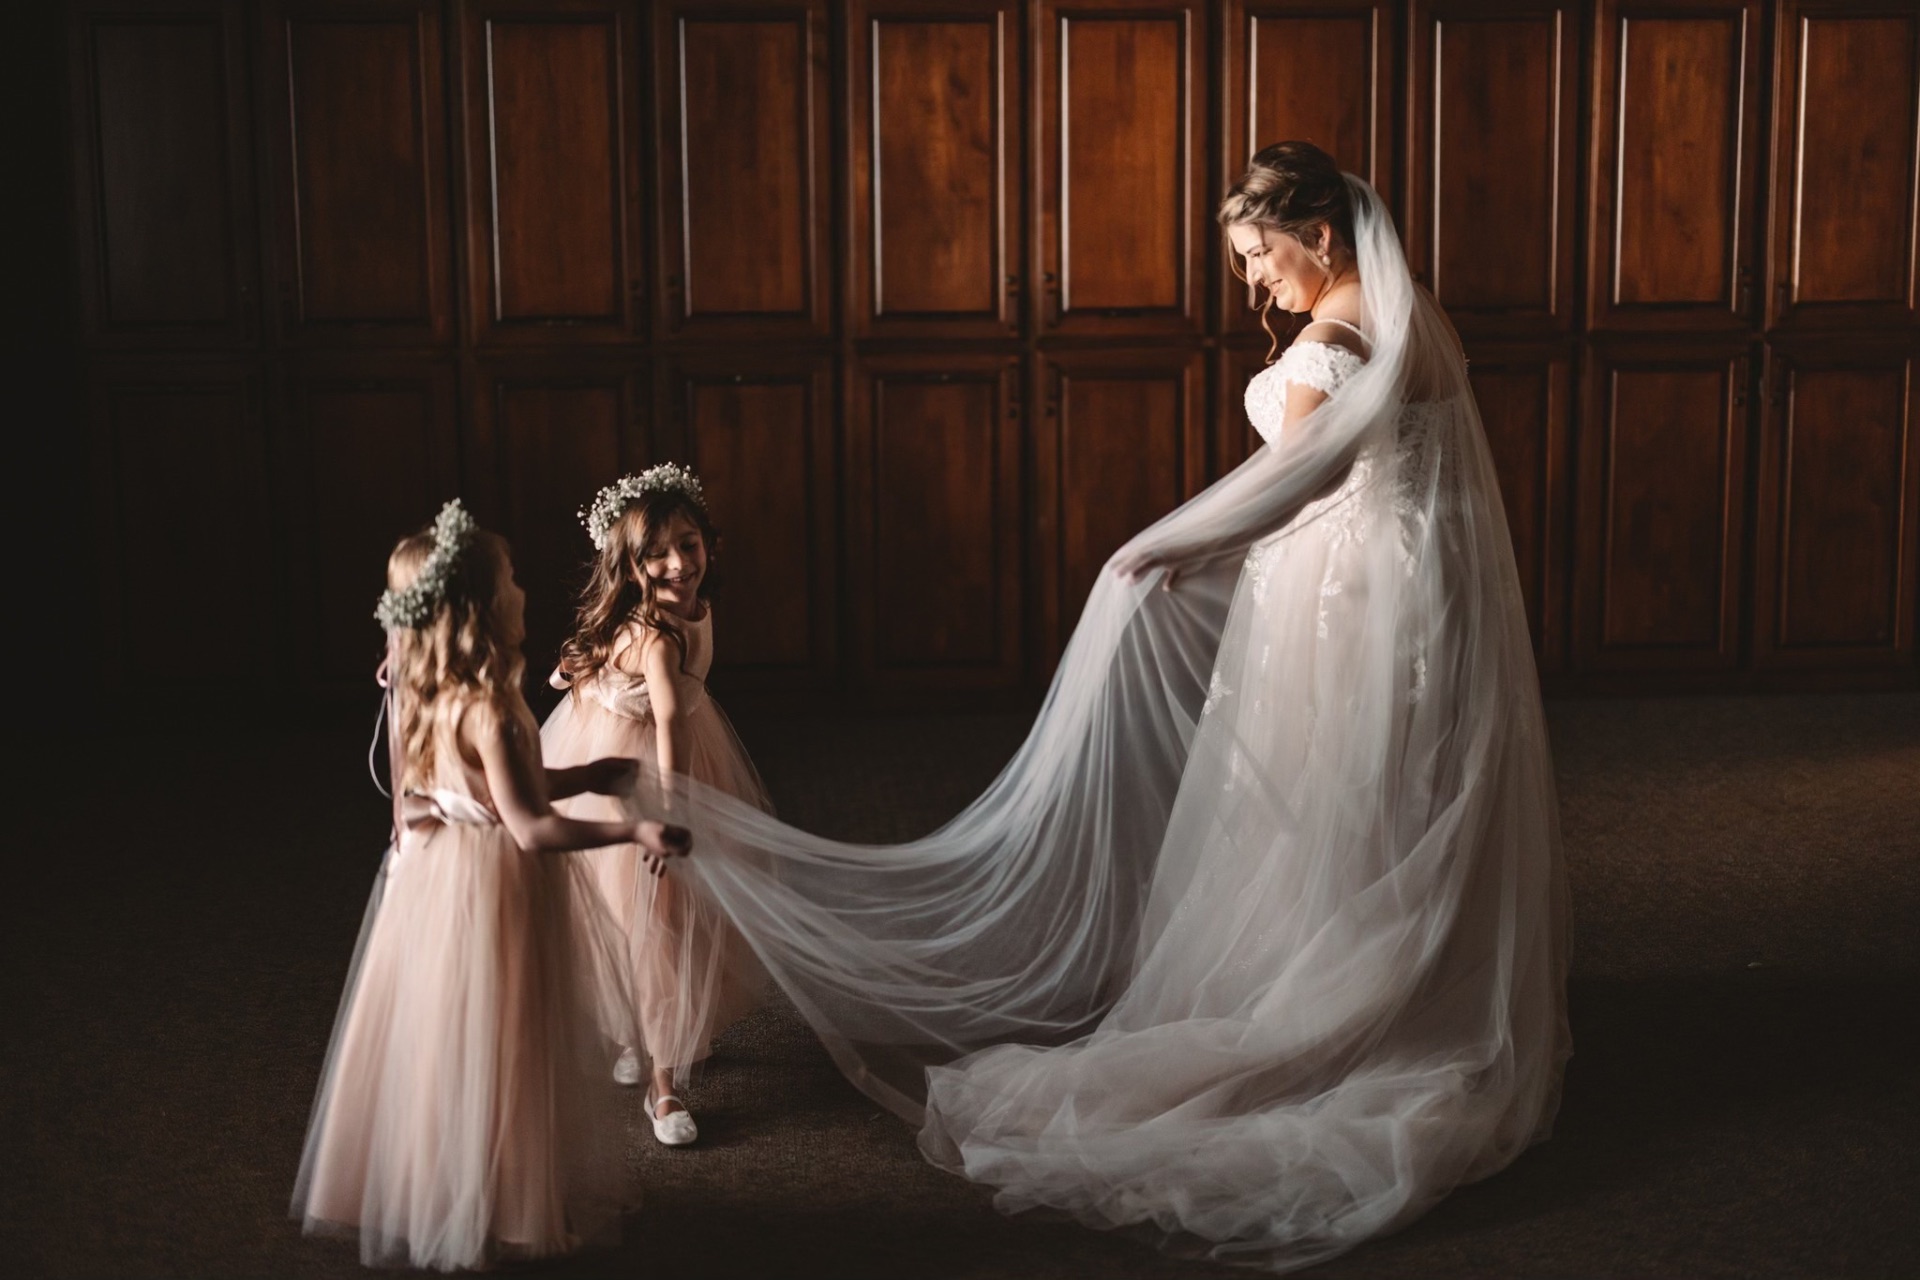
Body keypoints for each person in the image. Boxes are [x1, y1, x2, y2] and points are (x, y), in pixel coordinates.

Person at [663, 141, 1568, 1272]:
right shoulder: (1414, 314)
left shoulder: (1331, 348)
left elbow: (1291, 483)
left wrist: (1166, 548)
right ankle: (1411, 985)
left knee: (1330, 795)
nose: (1253, 282)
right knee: (1401, 794)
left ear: (1321, 236)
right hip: (1427, 596)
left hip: (1345, 605)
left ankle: (1338, 1008)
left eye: (1260, 255)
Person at [291, 499, 689, 1270]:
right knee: (507, 1036)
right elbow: (530, 826)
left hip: (433, 884)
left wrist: (588, 774)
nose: (522, 589)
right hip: (494, 887)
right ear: (481, 606)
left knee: (447, 1039)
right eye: (510, 580)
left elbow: (481, 790)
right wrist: (634, 830)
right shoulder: (494, 710)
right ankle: (502, 1198)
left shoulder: (422, 689)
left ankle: (441, 1186)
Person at [544, 465, 771, 1146]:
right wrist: (671, 814)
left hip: (683, 753)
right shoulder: (655, 635)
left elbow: (670, 709)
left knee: (672, 915)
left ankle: (644, 1038)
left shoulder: (692, 610)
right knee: (644, 917)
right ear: (632, 565)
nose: (680, 565)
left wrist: (578, 669)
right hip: (628, 771)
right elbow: (666, 720)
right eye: (658, 555)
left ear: (708, 543)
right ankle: (660, 1084)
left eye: (689, 544)